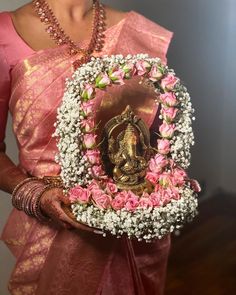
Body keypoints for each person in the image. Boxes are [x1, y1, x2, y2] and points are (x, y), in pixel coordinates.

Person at [0, 1, 173, 294]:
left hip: (131, 232)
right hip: (52, 235)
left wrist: (167, 183)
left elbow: (154, 142)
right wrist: (36, 194)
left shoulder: (140, 32)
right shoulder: (6, 33)